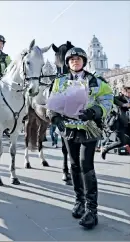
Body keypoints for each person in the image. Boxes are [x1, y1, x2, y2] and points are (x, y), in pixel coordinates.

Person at [48, 47, 114, 229]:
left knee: (86, 164)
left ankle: (92, 211)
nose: (74, 62)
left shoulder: (95, 81)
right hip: (69, 129)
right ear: (67, 63)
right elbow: (53, 101)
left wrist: (95, 111)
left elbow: (108, 98)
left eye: (78, 59)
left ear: (84, 61)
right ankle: (79, 201)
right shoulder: (60, 82)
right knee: (74, 165)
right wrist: (55, 116)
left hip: (89, 128)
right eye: (71, 60)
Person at [101, 85, 130, 159]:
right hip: (119, 123)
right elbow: (112, 99)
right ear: (123, 92)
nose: (129, 94)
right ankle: (106, 148)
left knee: (126, 141)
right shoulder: (119, 98)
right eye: (128, 92)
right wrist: (123, 104)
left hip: (128, 124)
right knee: (120, 142)